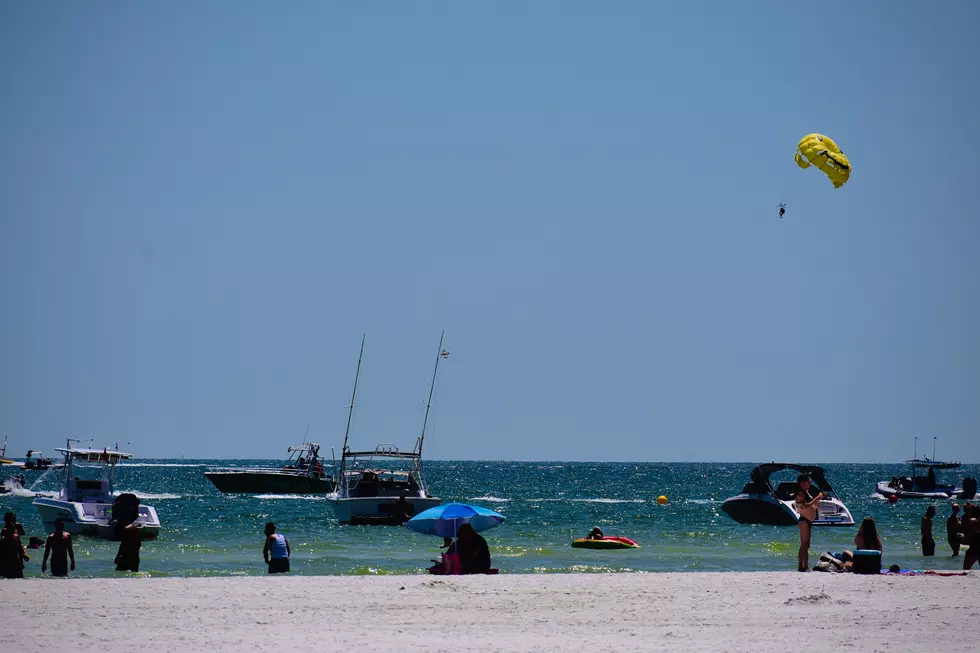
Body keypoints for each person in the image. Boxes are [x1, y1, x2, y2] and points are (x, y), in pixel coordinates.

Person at [794, 474, 824, 572]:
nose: (809, 484)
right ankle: (800, 566)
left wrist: (818, 500)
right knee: (803, 544)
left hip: (808, 521)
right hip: (804, 521)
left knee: (807, 545)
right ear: (802, 483)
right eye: (808, 482)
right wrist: (816, 498)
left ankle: (805, 566)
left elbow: (811, 505)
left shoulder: (806, 493)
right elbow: (805, 506)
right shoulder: (800, 494)